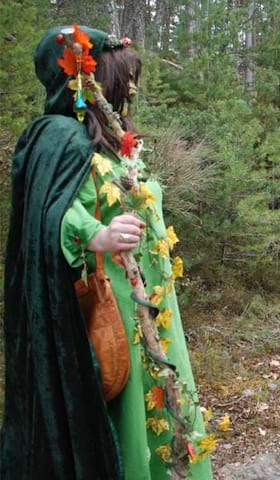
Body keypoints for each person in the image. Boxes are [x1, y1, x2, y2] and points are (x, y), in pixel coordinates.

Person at [1, 26, 213, 479]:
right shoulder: (55, 135)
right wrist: (96, 233)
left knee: (165, 393)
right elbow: (48, 212)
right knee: (128, 392)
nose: (131, 88)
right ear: (86, 79)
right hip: (111, 299)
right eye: (124, 77)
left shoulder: (113, 137)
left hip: (153, 295)